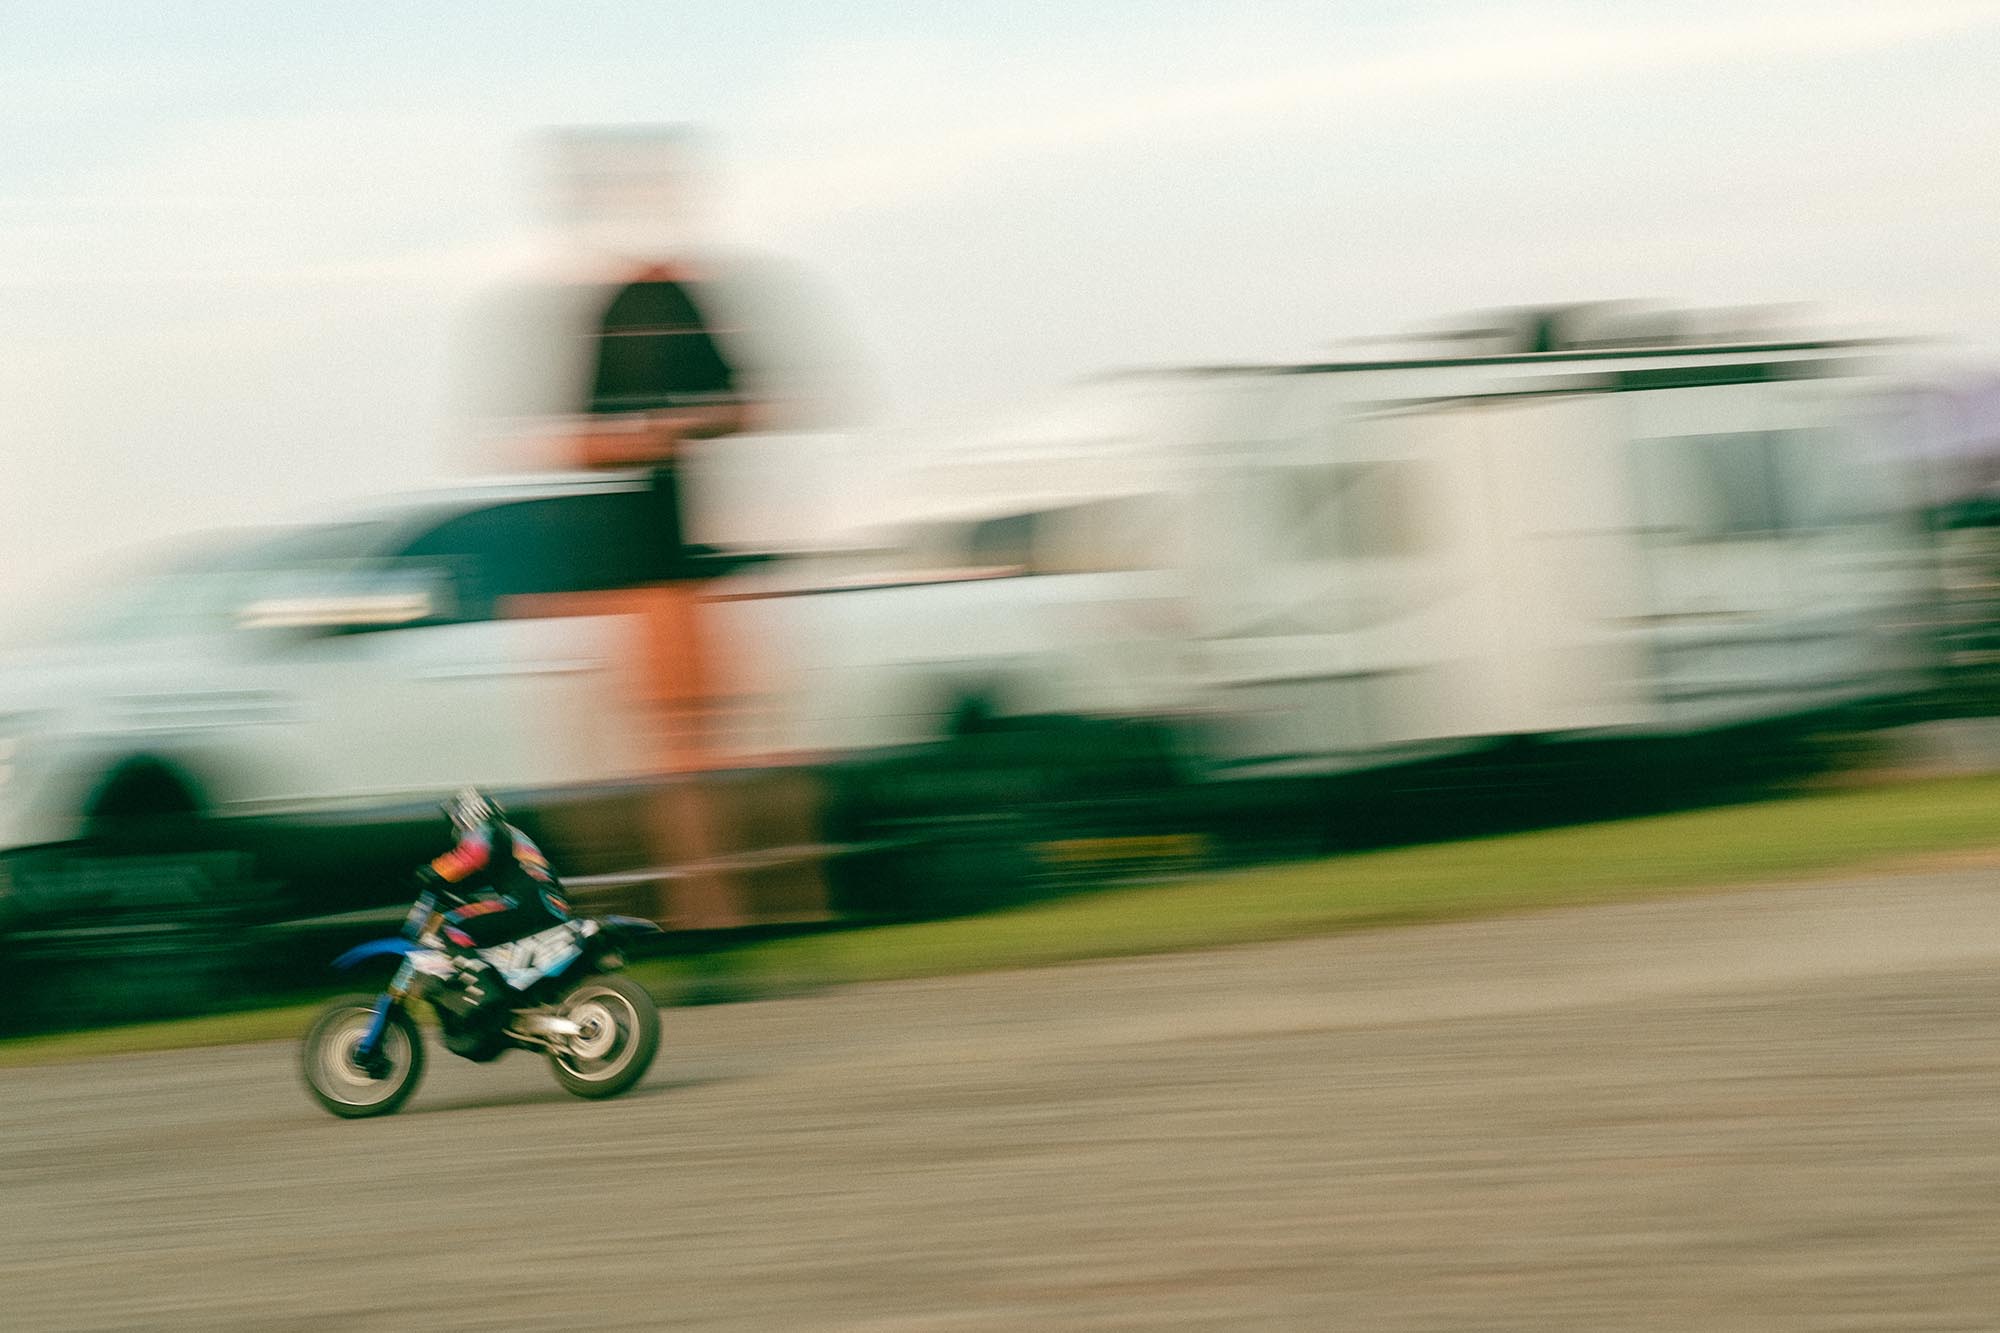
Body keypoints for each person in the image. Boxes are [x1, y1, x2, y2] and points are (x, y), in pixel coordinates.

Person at [402, 788, 572, 1008]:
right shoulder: (507, 834)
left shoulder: (487, 828)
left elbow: (472, 854)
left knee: (450, 925)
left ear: (468, 811)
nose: (455, 826)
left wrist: (435, 871)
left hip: (528, 901)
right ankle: (509, 993)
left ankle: (487, 997)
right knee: (474, 924)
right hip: (542, 902)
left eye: (455, 818)